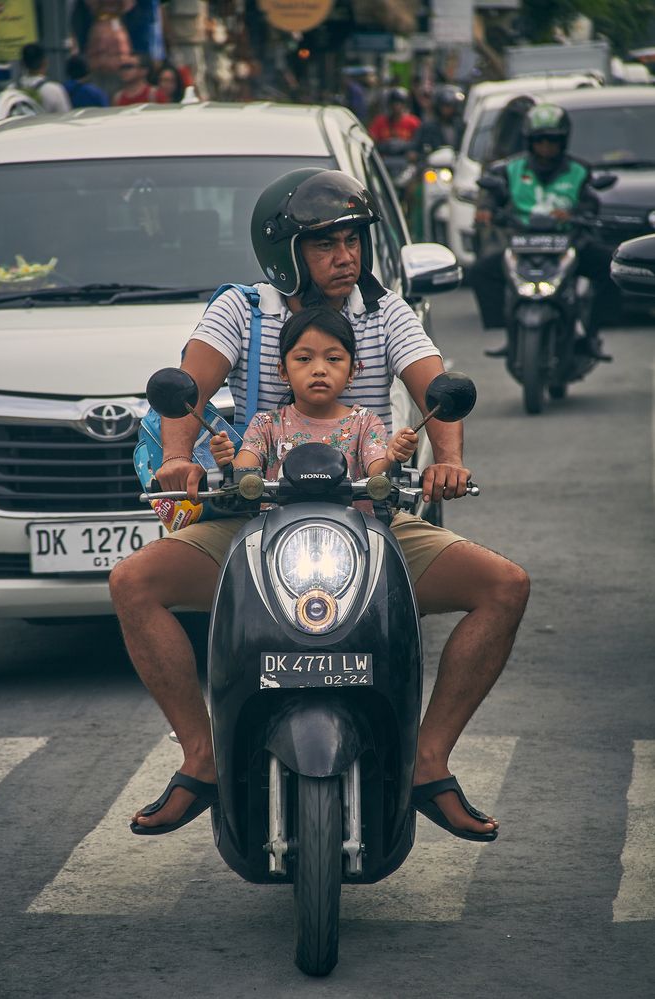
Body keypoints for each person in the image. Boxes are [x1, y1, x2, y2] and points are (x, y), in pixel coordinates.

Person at [109, 168, 529, 842]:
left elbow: (435, 388)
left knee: (505, 586)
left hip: (369, 523)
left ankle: (427, 761)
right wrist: (177, 460)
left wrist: (447, 459)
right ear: (284, 253)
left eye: (354, 239)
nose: (347, 256)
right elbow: (189, 385)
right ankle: (202, 756)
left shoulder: (385, 311)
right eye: (325, 243)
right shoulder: (240, 310)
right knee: (133, 582)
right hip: (250, 523)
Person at [209, 307, 419, 488]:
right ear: (283, 371)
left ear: (351, 372)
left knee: (449, 538)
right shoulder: (266, 426)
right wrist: (226, 461)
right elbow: (244, 476)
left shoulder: (366, 423)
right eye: (304, 358)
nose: (319, 369)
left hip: (357, 532)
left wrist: (392, 456)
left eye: (333, 358)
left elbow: (377, 473)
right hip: (276, 532)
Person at [469, 103, 616, 360]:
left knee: (613, 267)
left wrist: (574, 215)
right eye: (540, 140)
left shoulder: (578, 171)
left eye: (553, 140)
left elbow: (590, 201)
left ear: (563, 141)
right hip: (523, 243)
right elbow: (493, 193)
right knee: (480, 272)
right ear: (530, 141)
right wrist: (486, 208)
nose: (546, 146)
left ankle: (591, 333)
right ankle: (510, 331)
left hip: (570, 244)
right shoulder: (511, 169)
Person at [412, 84, 465, 157]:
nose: (447, 109)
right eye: (444, 106)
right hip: (432, 166)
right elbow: (416, 146)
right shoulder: (427, 128)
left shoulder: (461, 127)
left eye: (449, 106)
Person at [19, 43, 72, 113]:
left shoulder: (12, 90)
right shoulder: (54, 90)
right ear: (45, 62)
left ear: (23, 64)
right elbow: (66, 117)